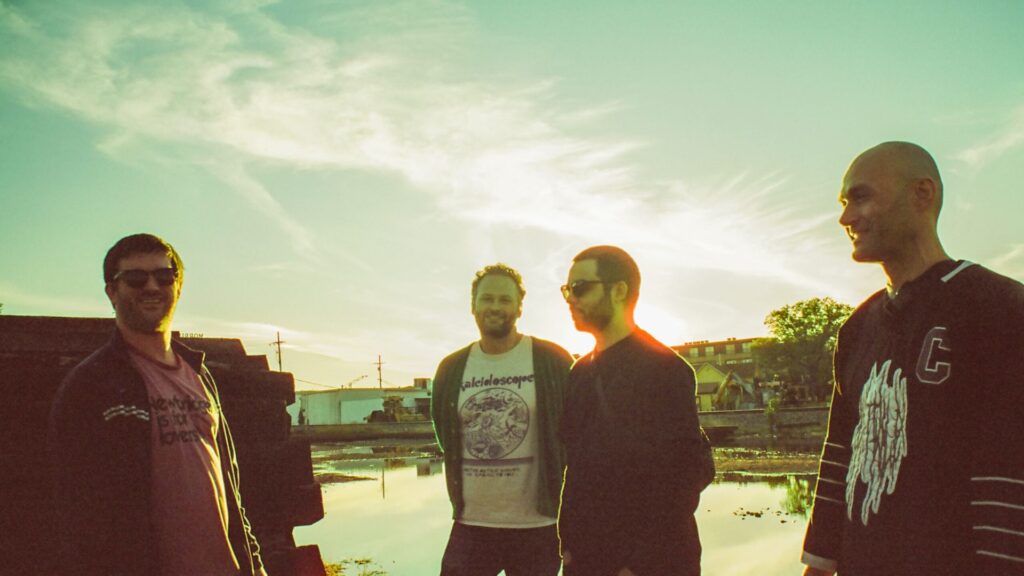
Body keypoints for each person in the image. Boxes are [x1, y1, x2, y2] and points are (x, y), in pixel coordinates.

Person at [801, 142, 1024, 575]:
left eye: (861, 197)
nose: (846, 218)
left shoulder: (998, 307)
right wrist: (818, 564)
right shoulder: (857, 328)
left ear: (922, 194)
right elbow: (841, 453)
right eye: (844, 203)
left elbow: (1009, 471)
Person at [48, 233, 266, 576]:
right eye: (136, 278)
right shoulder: (90, 385)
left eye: (164, 276)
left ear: (178, 286)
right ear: (111, 291)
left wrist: (256, 565)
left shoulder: (199, 374)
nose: (151, 286)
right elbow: (76, 513)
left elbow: (229, 488)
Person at [558, 245, 711, 576]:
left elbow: (681, 479)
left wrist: (638, 563)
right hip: (586, 561)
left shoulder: (665, 370)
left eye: (580, 288)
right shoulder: (579, 373)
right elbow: (576, 470)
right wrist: (568, 547)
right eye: (566, 289)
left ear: (619, 291)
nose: (570, 299)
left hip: (652, 564)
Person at [431, 263, 573, 576]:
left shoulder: (553, 360)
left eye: (505, 299)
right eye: (487, 298)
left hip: (539, 526)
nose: (495, 306)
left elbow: (578, 438)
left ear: (519, 307)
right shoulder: (451, 368)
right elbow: (446, 434)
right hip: (471, 524)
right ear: (473, 305)